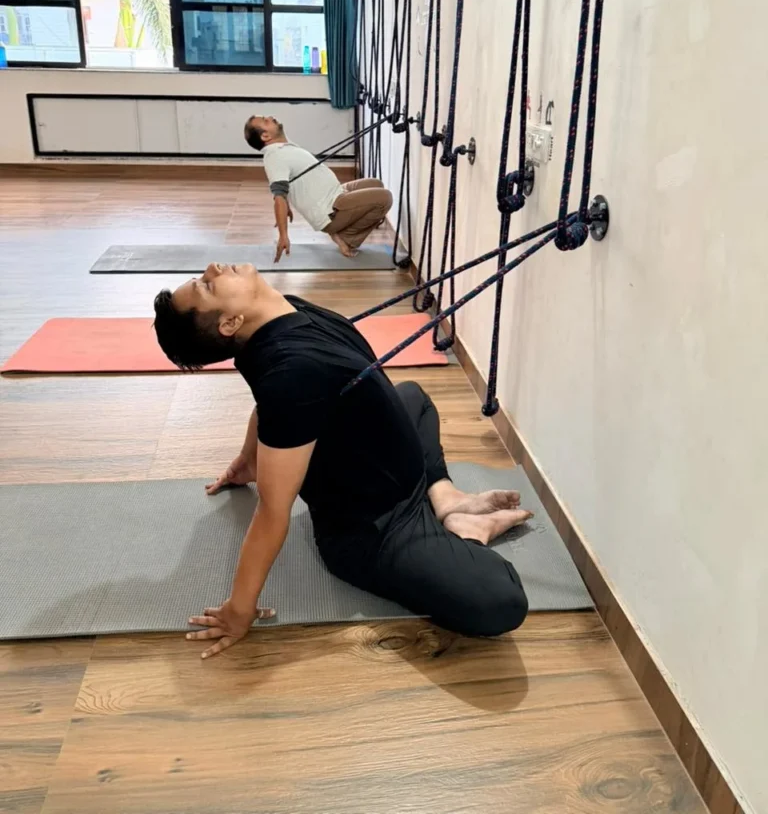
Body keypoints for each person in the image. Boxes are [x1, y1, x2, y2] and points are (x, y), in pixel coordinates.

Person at [153, 262, 532, 659]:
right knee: (501, 602)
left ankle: (445, 498)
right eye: (207, 285)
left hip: (393, 470)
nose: (214, 268)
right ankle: (466, 532)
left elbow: (267, 405)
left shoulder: (283, 312)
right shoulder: (291, 375)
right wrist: (239, 609)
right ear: (231, 321)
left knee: (411, 398)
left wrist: (248, 459)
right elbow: (272, 510)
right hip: (375, 529)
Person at [244, 115, 393, 261]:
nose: (270, 117)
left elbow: (287, 181)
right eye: (265, 121)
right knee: (384, 198)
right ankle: (347, 238)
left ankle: (341, 230)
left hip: (336, 193)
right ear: (265, 136)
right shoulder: (274, 155)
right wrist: (283, 235)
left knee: (376, 184)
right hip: (331, 209)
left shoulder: (283, 147)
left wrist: (287, 204)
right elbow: (278, 195)